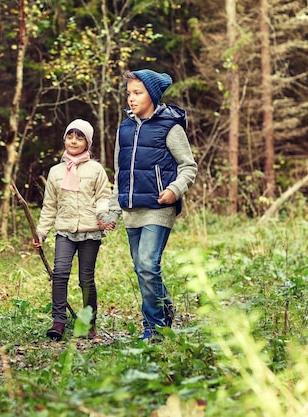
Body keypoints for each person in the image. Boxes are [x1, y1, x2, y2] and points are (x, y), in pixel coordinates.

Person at [110, 69, 198, 341]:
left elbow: (188, 166)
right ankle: (166, 307)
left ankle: (155, 328)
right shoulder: (124, 129)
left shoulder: (170, 127)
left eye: (137, 93)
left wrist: (174, 190)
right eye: (129, 93)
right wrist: (113, 208)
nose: (131, 99)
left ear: (152, 95)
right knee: (142, 268)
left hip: (160, 207)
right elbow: (119, 172)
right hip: (131, 210)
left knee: (148, 265)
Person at [35, 119, 117, 341]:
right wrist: (40, 233)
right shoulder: (55, 172)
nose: (74, 141)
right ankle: (58, 321)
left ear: (87, 143)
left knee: (86, 279)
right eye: (70, 136)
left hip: (90, 231)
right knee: (60, 274)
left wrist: (103, 216)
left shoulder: (96, 169)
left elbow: (103, 197)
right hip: (65, 231)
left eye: (79, 138)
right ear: (64, 139)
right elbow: (49, 205)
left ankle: (89, 324)